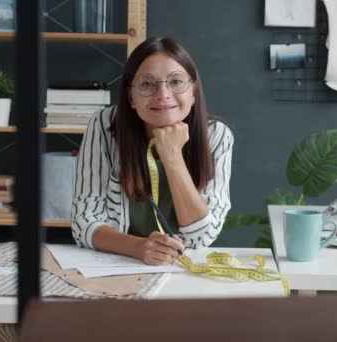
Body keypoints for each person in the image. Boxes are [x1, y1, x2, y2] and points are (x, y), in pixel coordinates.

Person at [71, 37, 234, 266]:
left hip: (183, 268)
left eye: (176, 82)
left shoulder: (216, 136)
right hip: (116, 263)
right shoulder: (103, 126)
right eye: (147, 84)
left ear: (194, 92)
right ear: (130, 96)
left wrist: (172, 157)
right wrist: (138, 247)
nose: (163, 94)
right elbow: (84, 223)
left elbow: (201, 237)